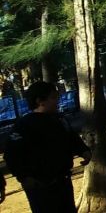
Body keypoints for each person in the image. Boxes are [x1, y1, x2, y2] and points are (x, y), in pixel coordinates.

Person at [4, 81, 91, 213]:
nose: (57, 101)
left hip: (63, 181)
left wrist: (84, 151)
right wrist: (24, 177)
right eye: (53, 97)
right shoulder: (24, 125)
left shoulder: (59, 120)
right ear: (40, 101)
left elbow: (72, 138)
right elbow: (12, 154)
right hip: (40, 186)